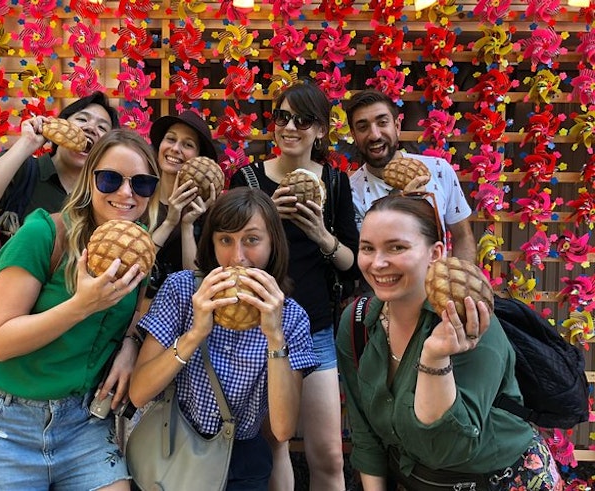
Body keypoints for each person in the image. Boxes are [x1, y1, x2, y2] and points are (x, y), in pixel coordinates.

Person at [0, 129, 159, 490]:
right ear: (89, 179)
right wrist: (80, 306)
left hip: (80, 422)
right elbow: (0, 342)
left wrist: (130, 345)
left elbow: (125, 319)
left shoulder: (138, 250)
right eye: (110, 179)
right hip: (0, 419)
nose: (126, 193)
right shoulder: (44, 233)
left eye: (142, 183)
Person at [336, 193, 563, 490]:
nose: (377, 263)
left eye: (397, 247)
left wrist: (434, 358)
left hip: (498, 480)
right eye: (367, 248)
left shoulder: (471, 321)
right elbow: (365, 433)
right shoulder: (357, 322)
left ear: (435, 253)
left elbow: (450, 447)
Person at [0, 92, 120, 441]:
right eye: (82, 120)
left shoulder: (101, 201)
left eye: (102, 127)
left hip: (46, 349)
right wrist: (25, 145)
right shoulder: (28, 171)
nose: (90, 130)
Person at [130, 187, 319, 490]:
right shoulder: (182, 290)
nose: (237, 257)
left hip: (242, 462)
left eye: (252, 240)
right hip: (172, 445)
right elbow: (138, 393)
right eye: (225, 240)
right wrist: (195, 334)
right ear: (212, 242)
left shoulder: (292, 317)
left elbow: (283, 429)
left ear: (273, 244)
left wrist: (274, 336)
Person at [230, 81, 357, 491]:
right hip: (259, 328)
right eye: (282, 117)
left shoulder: (335, 183)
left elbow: (352, 263)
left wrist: (321, 234)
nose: (290, 127)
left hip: (316, 327)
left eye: (303, 120)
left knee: (330, 454)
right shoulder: (247, 177)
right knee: (277, 444)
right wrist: (268, 222)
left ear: (320, 130)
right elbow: (230, 250)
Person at [346, 89, 476, 263]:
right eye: (363, 127)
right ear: (354, 135)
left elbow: (462, 236)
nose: (374, 135)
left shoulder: (438, 170)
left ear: (397, 126)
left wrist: (461, 284)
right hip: (382, 286)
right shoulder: (351, 191)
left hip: (435, 285)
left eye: (383, 123)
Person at [146, 110, 220, 299]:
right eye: (170, 139)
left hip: (183, 315)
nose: (176, 148)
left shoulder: (207, 212)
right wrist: (169, 222)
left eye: (187, 144)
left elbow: (196, 286)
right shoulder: (141, 195)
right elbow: (135, 265)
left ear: (199, 158)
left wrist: (187, 225)